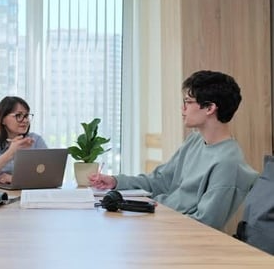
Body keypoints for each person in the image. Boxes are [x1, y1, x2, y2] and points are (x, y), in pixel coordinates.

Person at [89, 70, 258, 230]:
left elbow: (204, 224)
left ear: (209, 108)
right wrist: (115, 181)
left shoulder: (228, 164)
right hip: (159, 219)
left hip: (177, 233)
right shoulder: (195, 140)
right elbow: (160, 180)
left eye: (188, 102)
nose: (183, 108)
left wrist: (152, 221)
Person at [0, 96, 47, 186]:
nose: (26, 120)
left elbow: (48, 177)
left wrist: (14, 179)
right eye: (18, 115)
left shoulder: (35, 140)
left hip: (27, 194)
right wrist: (10, 153)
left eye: (26, 116)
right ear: (3, 119)